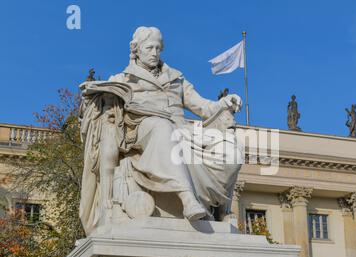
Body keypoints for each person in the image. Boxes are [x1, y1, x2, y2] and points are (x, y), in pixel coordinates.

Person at [79, 27, 242, 234]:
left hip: (180, 129)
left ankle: (219, 208)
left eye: (158, 48)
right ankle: (187, 197)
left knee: (230, 146)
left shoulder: (176, 77)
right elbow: (96, 108)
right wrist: (92, 96)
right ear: (136, 49)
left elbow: (202, 106)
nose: (154, 53)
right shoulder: (122, 78)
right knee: (162, 127)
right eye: (149, 48)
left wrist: (223, 103)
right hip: (141, 128)